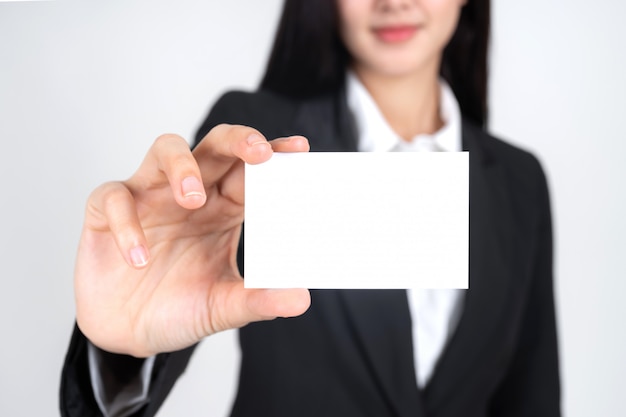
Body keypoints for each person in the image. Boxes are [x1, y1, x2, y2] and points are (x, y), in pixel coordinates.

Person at [60, 0, 561, 416]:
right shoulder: (253, 140)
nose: (396, 3)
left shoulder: (520, 182)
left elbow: (531, 398)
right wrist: (122, 352)